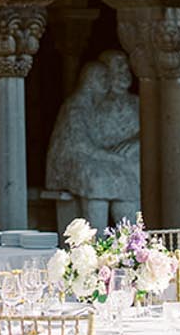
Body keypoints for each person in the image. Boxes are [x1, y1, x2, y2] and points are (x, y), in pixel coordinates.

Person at [45, 49, 141, 229]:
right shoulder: (82, 105)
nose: (124, 72)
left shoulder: (136, 103)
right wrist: (113, 157)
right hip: (82, 162)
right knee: (100, 180)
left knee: (122, 182)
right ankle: (97, 247)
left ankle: (132, 245)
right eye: (117, 67)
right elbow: (81, 143)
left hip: (110, 163)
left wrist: (135, 143)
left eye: (126, 67)